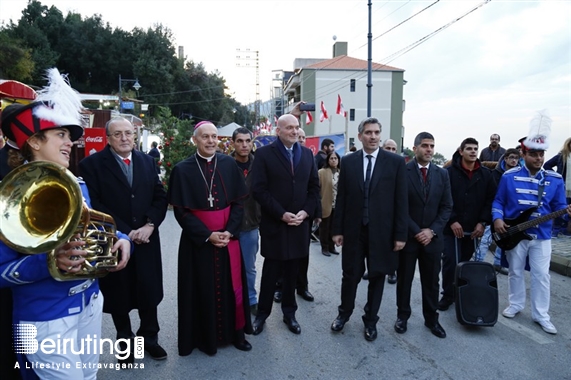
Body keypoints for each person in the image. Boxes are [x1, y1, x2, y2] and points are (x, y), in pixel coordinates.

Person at [0, 68, 131, 379]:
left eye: (70, 136)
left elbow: (96, 227)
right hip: (43, 317)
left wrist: (122, 239)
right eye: (61, 134)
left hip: (90, 302)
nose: (70, 142)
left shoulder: (76, 183)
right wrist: (49, 264)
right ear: (33, 141)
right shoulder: (8, 195)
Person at [79, 117, 168, 362]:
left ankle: (150, 337)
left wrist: (149, 224)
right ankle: (125, 341)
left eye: (128, 133)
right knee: (120, 292)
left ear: (135, 135)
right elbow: (95, 204)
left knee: (149, 291)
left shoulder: (148, 162)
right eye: (117, 134)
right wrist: (127, 232)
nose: (124, 138)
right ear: (108, 138)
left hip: (148, 238)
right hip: (114, 239)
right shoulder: (91, 165)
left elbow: (160, 197)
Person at [168, 121, 252, 356]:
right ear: (195, 140)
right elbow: (181, 212)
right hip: (198, 243)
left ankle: (237, 334)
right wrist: (207, 235)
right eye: (205, 137)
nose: (211, 141)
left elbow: (238, 203)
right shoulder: (182, 169)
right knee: (198, 289)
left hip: (228, 238)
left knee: (231, 286)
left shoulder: (228, 164)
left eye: (214, 137)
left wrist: (229, 231)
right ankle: (200, 339)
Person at [330, 117, 408, 342]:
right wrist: (337, 230)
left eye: (376, 132)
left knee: (377, 277)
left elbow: (401, 201)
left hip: (382, 233)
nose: (373, 136)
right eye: (369, 132)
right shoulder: (349, 161)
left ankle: (371, 320)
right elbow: (342, 198)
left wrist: (400, 235)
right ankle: (343, 314)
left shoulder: (394, 162)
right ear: (360, 135)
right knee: (350, 276)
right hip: (354, 232)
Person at [492, 112, 571, 334]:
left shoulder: (554, 179)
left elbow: (560, 208)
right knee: (516, 271)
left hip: (543, 235)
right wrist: (498, 219)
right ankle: (516, 304)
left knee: (541, 275)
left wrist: (565, 215)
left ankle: (541, 314)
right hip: (515, 232)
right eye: (534, 154)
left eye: (541, 154)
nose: (538, 158)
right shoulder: (509, 176)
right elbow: (498, 201)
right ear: (524, 154)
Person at [250, 114, 320, 336]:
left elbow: (314, 189)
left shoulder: (307, 155)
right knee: (271, 271)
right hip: (276, 223)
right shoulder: (263, 155)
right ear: (277, 131)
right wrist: (281, 214)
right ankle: (262, 314)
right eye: (289, 127)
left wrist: (305, 212)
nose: (294, 131)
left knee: (293, 272)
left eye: (296, 127)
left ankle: (290, 314)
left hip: (299, 224)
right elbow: (258, 190)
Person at [394, 132, 452, 339]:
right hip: (409, 238)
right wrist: (416, 231)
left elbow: (447, 207)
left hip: (433, 239)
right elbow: (399, 206)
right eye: (425, 146)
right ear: (415, 147)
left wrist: (432, 230)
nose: (429, 150)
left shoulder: (442, 174)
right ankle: (402, 316)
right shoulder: (403, 171)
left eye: (432, 146)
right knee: (405, 279)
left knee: (431, 281)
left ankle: (431, 318)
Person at [438, 138, 496, 311]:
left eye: (475, 149)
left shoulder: (485, 174)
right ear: (461, 151)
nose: (473, 151)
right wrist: (452, 220)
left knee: (464, 262)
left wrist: (482, 222)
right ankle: (447, 294)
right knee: (450, 261)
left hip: (474, 229)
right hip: (451, 228)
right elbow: (443, 199)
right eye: (469, 148)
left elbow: (490, 200)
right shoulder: (448, 172)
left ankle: (461, 293)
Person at [273, 125, 318, 304]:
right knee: (281, 258)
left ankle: (302, 286)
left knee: (302, 255)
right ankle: (280, 287)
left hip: (303, 217)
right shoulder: (277, 154)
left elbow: (314, 188)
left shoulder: (308, 156)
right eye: (295, 135)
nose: (299, 138)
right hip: (281, 217)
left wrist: (310, 212)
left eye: (301, 136)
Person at [473, 148, 521, 274]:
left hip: (510, 211)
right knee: (487, 237)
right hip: (495, 209)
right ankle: (477, 261)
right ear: (505, 158)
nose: (514, 160)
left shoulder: (519, 174)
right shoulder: (496, 173)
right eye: (511, 157)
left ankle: (499, 263)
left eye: (516, 158)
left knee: (505, 238)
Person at [230, 127, 261, 315]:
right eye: (240, 141)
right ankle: (231, 300)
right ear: (233, 143)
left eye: (247, 141)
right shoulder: (225, 164)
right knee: (228, 267)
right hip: (228, 226)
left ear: (252, 143)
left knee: (249, 267)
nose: (244, 145)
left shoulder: (259, 165)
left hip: (251, 225)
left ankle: (251, 300)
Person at [544, 137, 571, 236]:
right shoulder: (562, 156)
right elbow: (547, 165)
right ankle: (556, 228)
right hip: (563, 186)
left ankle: (566, 229)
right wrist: (556, 175)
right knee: (561, 207)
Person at [318, 151, 341, 256]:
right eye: (331, 158)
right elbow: (317, 189)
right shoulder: (322, 172)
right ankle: (325, 247)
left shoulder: (341, 172)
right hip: (326, 203)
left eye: (335, 158)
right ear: (328, 160)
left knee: (334, 227)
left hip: (338, 204)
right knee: (325, 227)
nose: (333, 160)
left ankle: (332, 247)